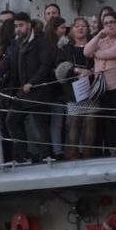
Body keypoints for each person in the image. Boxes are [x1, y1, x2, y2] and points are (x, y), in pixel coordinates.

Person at [0, 12, 56, 162]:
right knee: (12, 120)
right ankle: (22, 155)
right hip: (22, 92)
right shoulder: (16, 42)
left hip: (38, 91)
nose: (18, 29)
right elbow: (7, 62)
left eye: (21, 25)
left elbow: (46, 65)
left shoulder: (41, 41)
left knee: (41, 124)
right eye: (16, 26)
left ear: (29, 25)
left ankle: (47, 156)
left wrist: (33, 82)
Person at [84, 11, 116, 156]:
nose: (109, 25)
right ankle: (114, 147)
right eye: (106, 23)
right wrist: (98, 36)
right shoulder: (100, 41)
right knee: (108, 118)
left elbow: (113, 53)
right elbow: (86, 51)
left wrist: (96, 53)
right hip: (103, 86)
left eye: (112, 22)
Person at [55, 17, 97, 159]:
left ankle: (88, 153)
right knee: (74, 122)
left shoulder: (94, 45)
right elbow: (60, 67)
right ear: (72, 30)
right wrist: (77, 71)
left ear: (88, 29)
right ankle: (73, 153)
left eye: (83, 26)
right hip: (73, 89)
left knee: (91, 121)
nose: (80, 28)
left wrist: (92, 71)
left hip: (92, 88)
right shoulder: (65, 48)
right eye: (77, 26)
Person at [44, 17, 69, 159]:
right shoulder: (49, 46)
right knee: (57, 122)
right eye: (62, 27)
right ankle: (57, 151)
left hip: (65, 88)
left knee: (66, 122)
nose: (64, 30)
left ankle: (64, 149)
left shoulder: (65, 45)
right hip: (55, 89)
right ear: (54, 29)